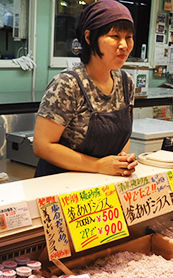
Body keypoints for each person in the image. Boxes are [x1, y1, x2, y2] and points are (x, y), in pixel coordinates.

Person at [32, 0, 137, 177]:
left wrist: (122, 160)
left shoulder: (126, 82)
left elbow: (123, 136)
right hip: (61, 186)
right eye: (115, 36)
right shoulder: (68, 84)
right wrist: (98, 165)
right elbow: (42, 146)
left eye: (128, 37)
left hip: (104, 183)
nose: (124, 46)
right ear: (89, 37)